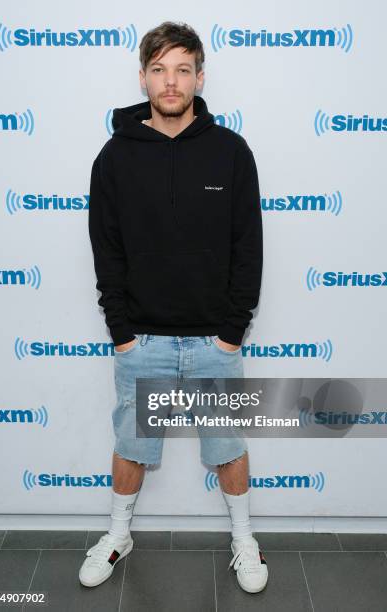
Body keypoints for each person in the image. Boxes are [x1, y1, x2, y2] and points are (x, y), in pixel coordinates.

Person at [79, 21, 267, 594]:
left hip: (214, 339)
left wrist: (232, 332)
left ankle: (243, 538)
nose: (171, 80)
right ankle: (118, 534)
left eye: (182, 69)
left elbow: (248, 246)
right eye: (159, 69)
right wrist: (121, 331)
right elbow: (105, 248)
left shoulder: (231, 152)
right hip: (144, 340)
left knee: (228, 448)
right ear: (143, 78)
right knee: (132, 448)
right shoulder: (113, 157)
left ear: (199, 77)